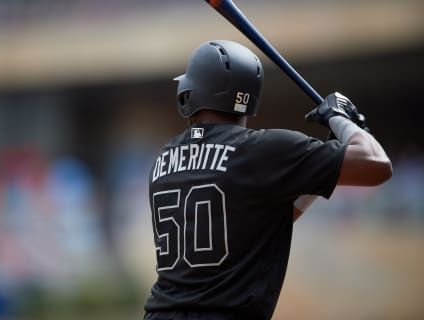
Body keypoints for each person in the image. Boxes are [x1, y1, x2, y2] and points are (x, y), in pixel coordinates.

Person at [144, 40, 392, 320]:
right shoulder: (263, 150)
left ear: (189, 94)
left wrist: (313, 174)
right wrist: (342, 120)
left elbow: (261, 224)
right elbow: (377, 164)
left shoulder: (164, 159)